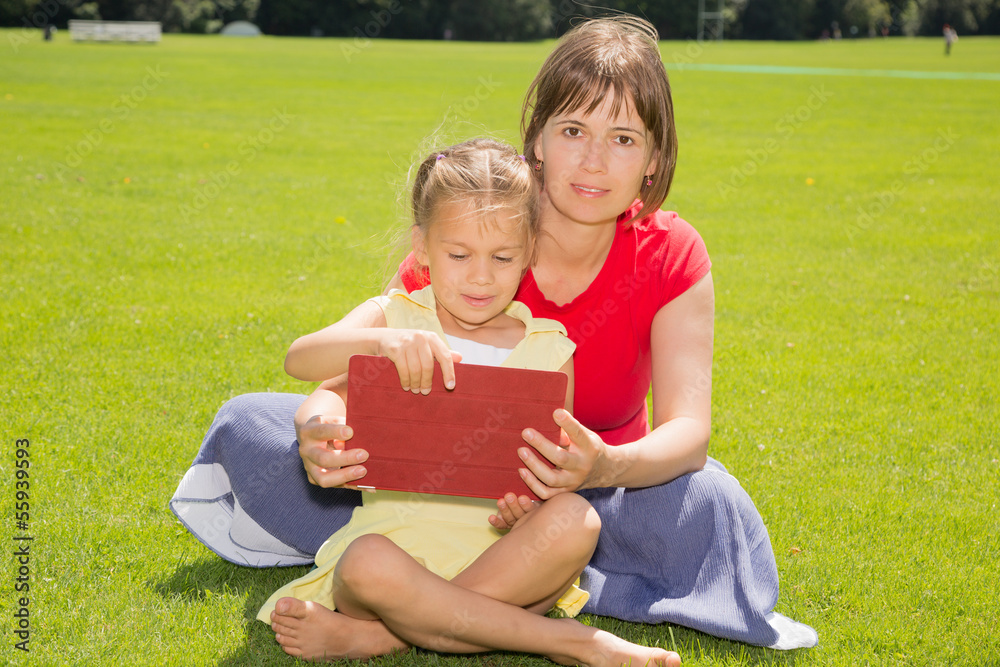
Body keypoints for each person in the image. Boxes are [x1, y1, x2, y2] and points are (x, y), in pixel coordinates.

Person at [171, 15, 817, 651]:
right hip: (429, 482)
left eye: (623, 138)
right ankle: (503, 603)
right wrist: (316, 429)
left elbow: (689, 434)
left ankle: (394, 622)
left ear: (653, 159)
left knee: (707, 500)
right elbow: (358, 367)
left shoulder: (671, 251)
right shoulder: (480, 226)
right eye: (573, 130)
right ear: (537, 140)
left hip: (599, 492)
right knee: (257, 422)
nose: (594, 160)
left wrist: (599, 464)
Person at [256, 137, 680, 666]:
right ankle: (569, 644)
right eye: (459, 255)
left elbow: (548, 473)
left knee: (579, 520)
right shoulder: (395, 317)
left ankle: (388, 636)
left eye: (502, 257)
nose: (481, 276)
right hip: (394, 553)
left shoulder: (550, 348)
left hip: (501, 560)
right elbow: (302, 360)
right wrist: (375, 349)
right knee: (366, 561)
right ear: (423, 247)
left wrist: (529, 507)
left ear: (528, 252)